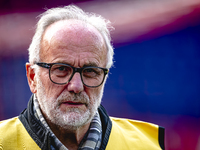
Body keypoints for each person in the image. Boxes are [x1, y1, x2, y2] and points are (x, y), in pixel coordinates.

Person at [0, 5, 165, 150]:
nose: (76, 86)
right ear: (32, 77)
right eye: (62, 69)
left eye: (90, 71)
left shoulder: (147, 145)